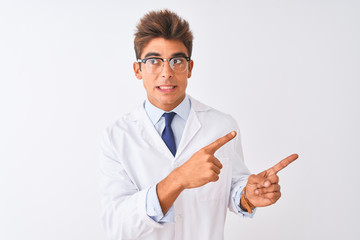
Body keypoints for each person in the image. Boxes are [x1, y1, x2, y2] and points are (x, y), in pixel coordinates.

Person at [99, 9, 298, 240]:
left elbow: (234, 187)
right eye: (154, 61)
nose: (167, 72)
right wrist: (178, 178)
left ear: (190, 68)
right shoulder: (117, 136)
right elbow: (117, 223)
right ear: (138, 70)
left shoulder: (222, 126)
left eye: (177, 61)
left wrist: (248, 195)